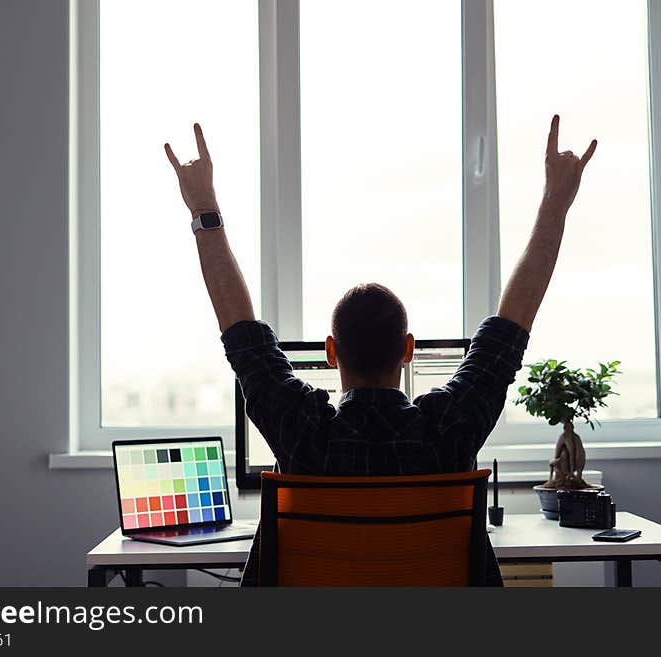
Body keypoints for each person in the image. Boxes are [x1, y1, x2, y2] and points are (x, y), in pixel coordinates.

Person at [164, 115, 597, 585]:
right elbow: (510, 327)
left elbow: (242, 335)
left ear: (332, 352)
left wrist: (203, 205)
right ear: (408, 350)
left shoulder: (303, 432)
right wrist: (557, 202)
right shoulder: (447, 428)